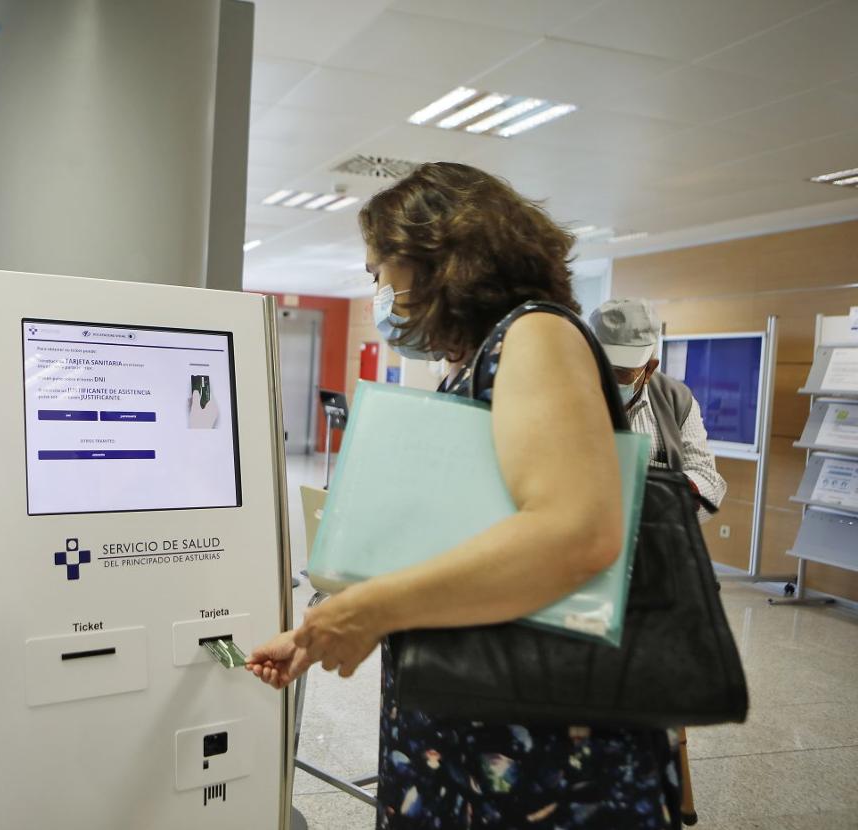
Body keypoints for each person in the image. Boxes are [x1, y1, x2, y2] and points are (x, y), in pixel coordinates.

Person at [247, 163, 681, 828]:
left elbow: (574, 534)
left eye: (380, 271)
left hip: (535, 752)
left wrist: (372, 609)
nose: (379, 291)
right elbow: (461, 536)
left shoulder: (535, 335)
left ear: (436, 259)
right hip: (479, 724)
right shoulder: (480, 360)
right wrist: (328, 624)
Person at [590, 297, 729, 828]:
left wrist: (654, 496)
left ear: (650, 364)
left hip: (655, 567)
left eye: (625, 371)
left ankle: (655, 794)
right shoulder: (567, 391)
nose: (615, 379)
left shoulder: (675, 398)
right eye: (606, 367)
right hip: (584, 568)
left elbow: (707, 476)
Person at [589, 298, 727, 521]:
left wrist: (662, 493)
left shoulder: (676, 400)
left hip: (652, 535)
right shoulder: (564, 395)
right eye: (601, 367)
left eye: (621, 372)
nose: (608, 379)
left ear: (649, 370)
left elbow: (709, 481)